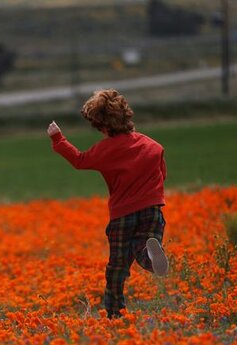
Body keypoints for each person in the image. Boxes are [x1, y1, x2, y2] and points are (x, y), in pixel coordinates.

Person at [47, 88, 169, 319]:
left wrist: (58, 139)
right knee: (144, 248)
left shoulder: (105, 150)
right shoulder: (153, 146)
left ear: (102, 126)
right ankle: (151, 256)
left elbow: (79, 161)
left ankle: (115, 314)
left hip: (123, 215)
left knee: (117, 268)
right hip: (152, 209)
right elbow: (163, 175)